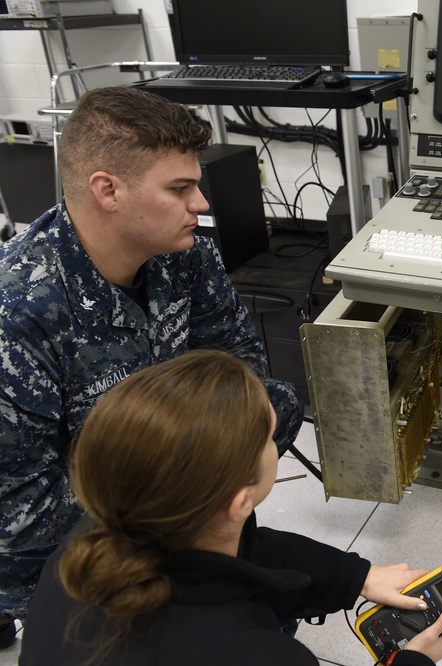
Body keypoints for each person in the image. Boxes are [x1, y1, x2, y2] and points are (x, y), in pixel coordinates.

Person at [0, 86, 303, 644]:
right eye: (180, 188)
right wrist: (194, 508)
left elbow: (251, 388)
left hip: (183, 509)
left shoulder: (184, 257)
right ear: (107, 190)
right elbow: (21, 519)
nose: (202, 203)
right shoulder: (17, 316)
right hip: (81, 558)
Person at [19, 349, 442, 665]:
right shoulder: (256, 654)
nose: (276, 442)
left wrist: (356, 576)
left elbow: (244, 552)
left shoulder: (85, 548)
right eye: (270, 436)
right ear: (238, 501)